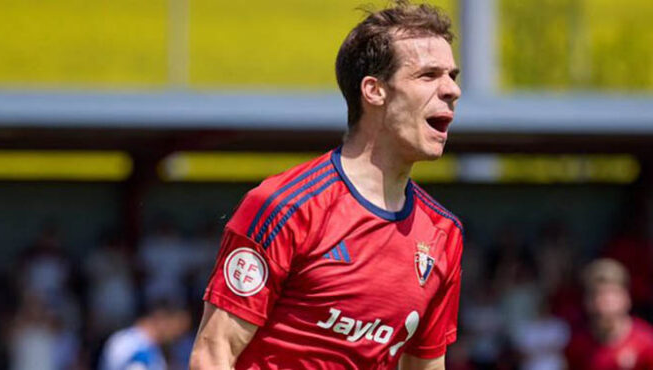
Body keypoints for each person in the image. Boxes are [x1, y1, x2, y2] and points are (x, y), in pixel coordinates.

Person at [189, 1, 463, 368]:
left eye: (452, 76)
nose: (451, 90)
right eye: (429, 75)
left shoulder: (444, 233)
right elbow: (213, 351)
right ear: (374, 90)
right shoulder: (284, 206)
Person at [565, 259, 653, 370]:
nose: (604, 302)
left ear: (626, 298)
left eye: (611, 294)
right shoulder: (576, 345)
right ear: (587, 301)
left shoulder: (647, 343)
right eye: (597, 295)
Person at [99, 301, 191, 370]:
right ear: (162, 318)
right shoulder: (135, 346)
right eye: (176, 328)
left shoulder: (151, 348)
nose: (176, 336)